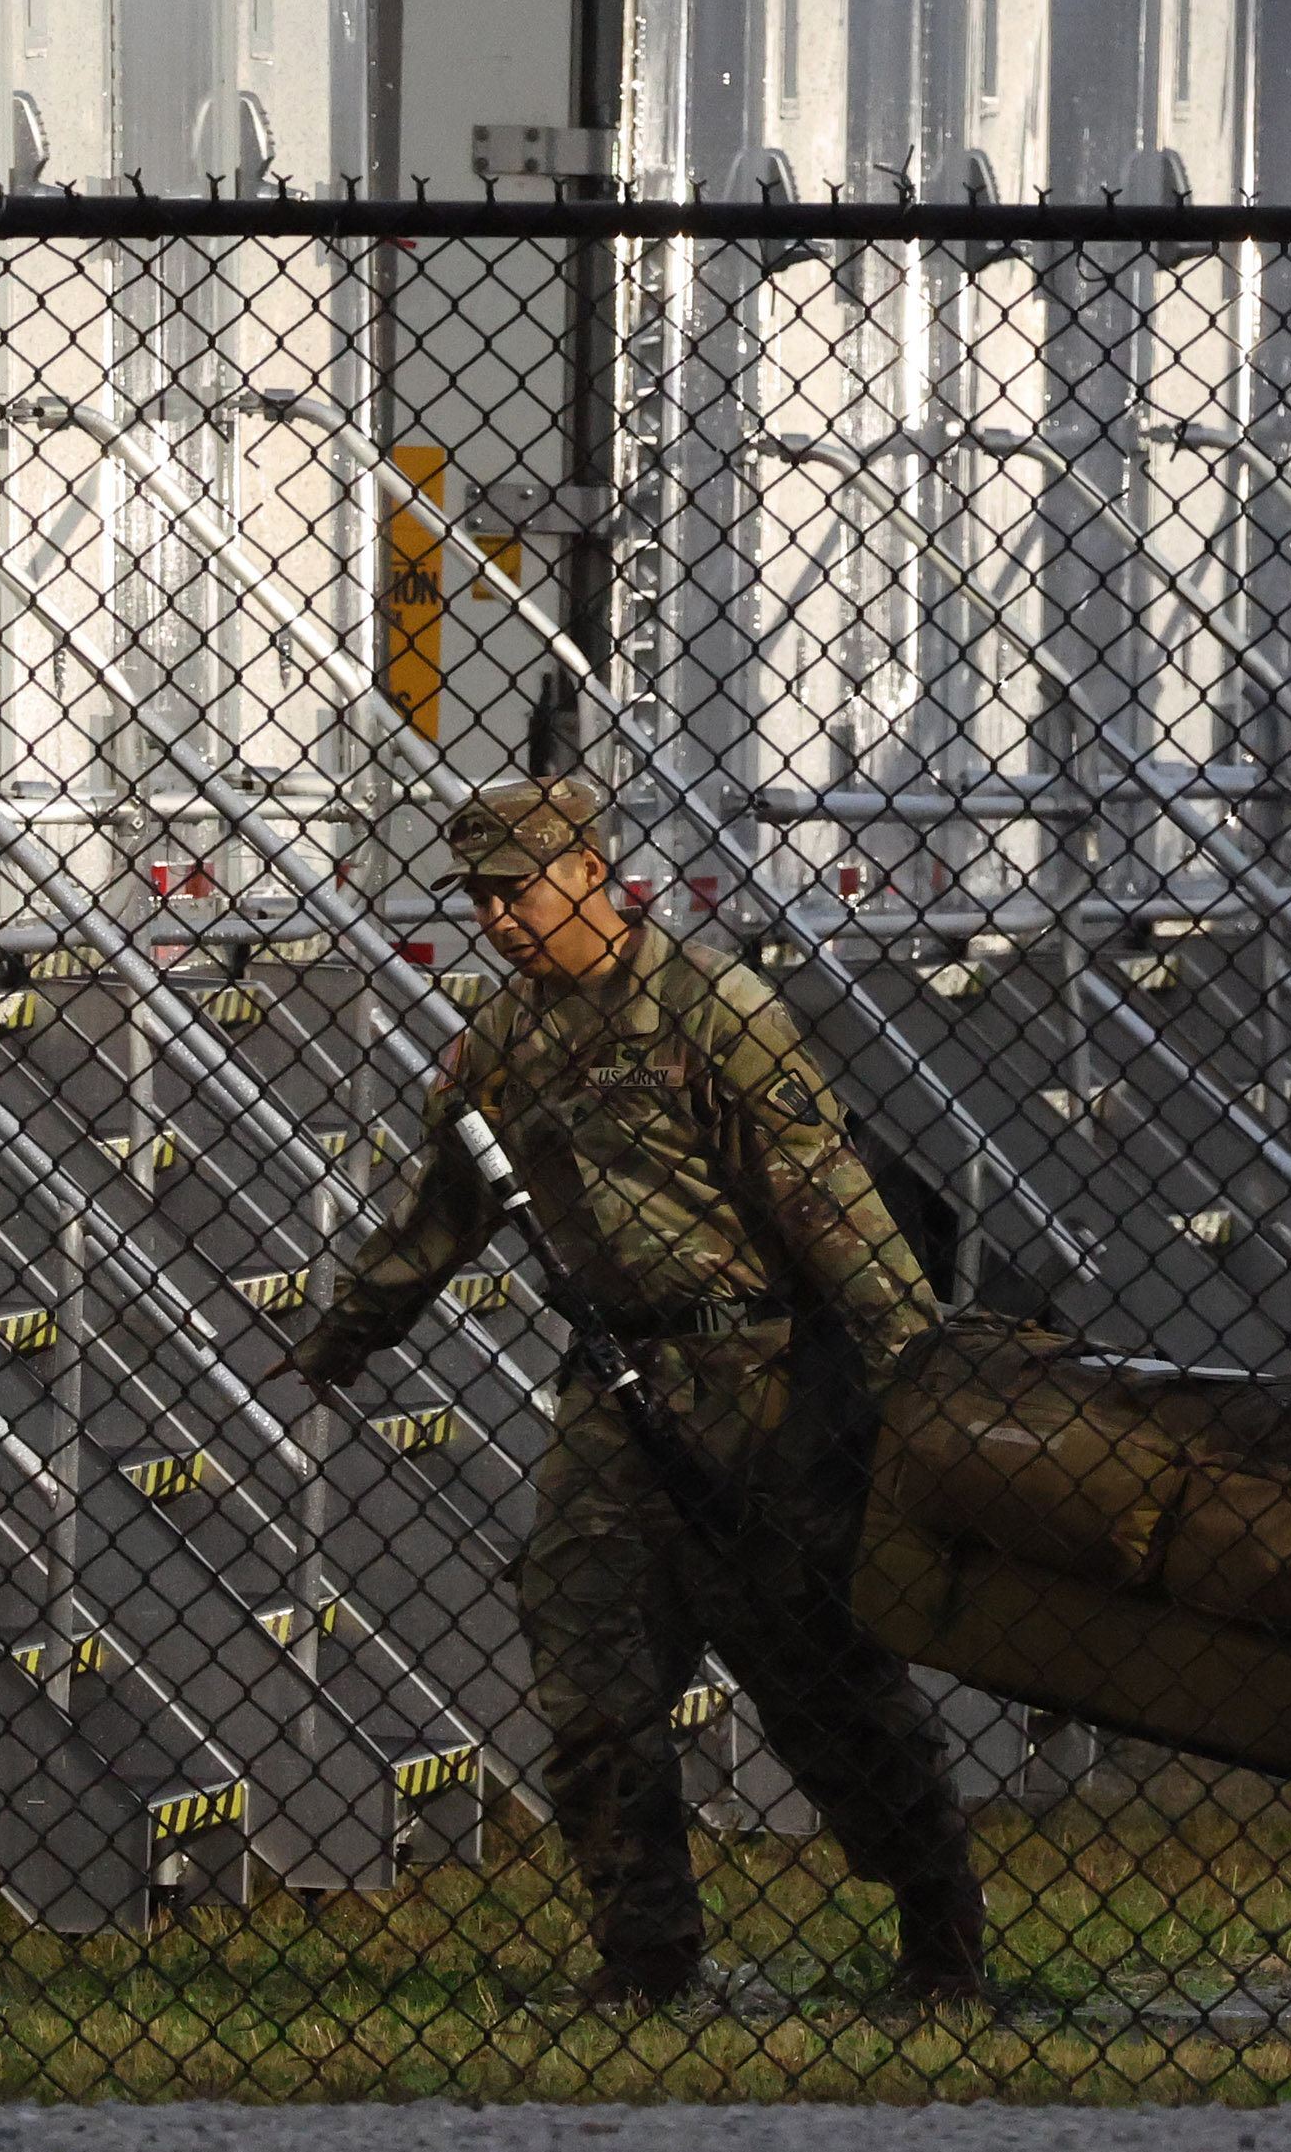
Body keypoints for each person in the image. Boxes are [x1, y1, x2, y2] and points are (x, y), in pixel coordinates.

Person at [284, 774, 989, 2010]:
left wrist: (909, 1369)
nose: (497, 918)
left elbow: (824, 1195)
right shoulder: (504, 1037)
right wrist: (345, 1333)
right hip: (616, 1390)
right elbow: (441, 1208)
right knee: (590, 1672)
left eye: (515, 889)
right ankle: (646, 1950)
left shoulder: (715, 1007)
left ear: (587, 867)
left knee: (819, 1671)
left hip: (759, 1384)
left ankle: (940, 1935)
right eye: (479, 898)